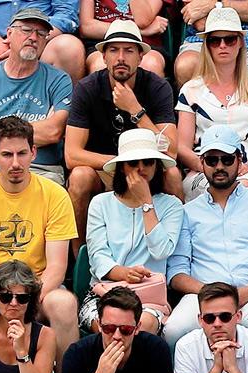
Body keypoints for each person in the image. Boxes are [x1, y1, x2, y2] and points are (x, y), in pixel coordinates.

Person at [0, 116, 80, 356]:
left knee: (64, 305)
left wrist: (25, 301)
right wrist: (6, 300)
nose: (15, 163)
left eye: (22, 153)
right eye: (7, 155)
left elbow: (56, 268)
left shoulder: (55, 194)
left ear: (33, 153)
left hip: (39, 285)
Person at [165, 124, 248, 348]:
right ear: (202, 163)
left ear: (240, 160)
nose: (219, 166)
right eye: (212, 160)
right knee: (175, 329)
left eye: (227, 159)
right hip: (202, 295)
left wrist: (244, 293)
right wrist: (213, 295)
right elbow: (177, 272)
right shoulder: (188, 211)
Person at [65, 19, 180, 241]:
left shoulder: (157, 87)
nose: (120, 58)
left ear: (141, 56)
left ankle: (177, 254)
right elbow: (72, 155)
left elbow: (171, 151)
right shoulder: (87, 88)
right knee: (79, 176)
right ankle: (81, 258)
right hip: (104, 168)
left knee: (173, 174)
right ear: (104, 56)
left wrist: (135, 110)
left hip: (148, 166)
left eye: (128, 51)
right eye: (114, 50)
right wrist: (121, 161)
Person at [82, 128, 183, 334]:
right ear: (121, 167)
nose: (141, 169)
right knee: (107, 328)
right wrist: (124, 274)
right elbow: (98, 256)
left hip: (149, 296)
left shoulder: (172, 205)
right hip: (105, 291)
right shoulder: (100, 203)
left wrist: (147, 202)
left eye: (148, 162)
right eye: (133, 163)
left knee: (140, 327)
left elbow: (161, 251)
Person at [175, 7, 248, 201]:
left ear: (240, 42)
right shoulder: (191, 89)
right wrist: (207, 168)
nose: (223, 45)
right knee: (210, 191)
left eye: (229, 39)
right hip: (203, 171)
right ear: (207, 45)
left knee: (244, 191)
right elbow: (182, 147)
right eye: (215, 40)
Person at [0, 8, 72, 186]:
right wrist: (38, 129)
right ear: (9, 34)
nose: (33, 37)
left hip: (43, 170)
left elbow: (54, 132)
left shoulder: (59, 80)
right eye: (26, 30)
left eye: (41, 33)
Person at [168, 0, 248, 121]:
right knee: (186, 65)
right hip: (208, 41)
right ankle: (197, 140)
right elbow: (198, 20)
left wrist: (215, 4)